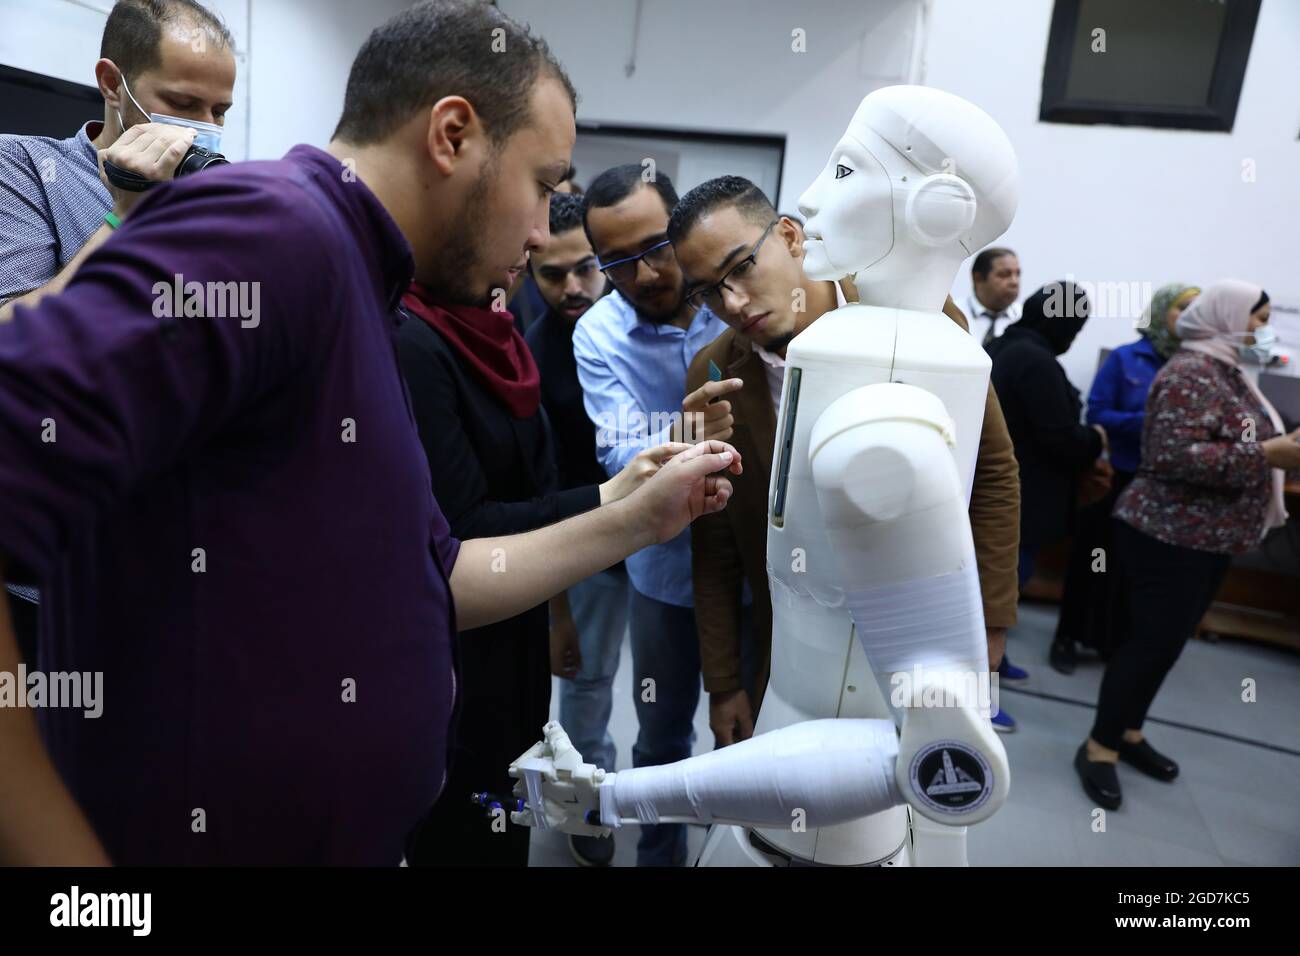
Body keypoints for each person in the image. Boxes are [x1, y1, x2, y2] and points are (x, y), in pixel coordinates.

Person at [0, 0, 741, 866]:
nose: (545, 231)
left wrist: (637, 515)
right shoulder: (277, 233)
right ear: (453, 135)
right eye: (543, 185)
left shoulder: (361, 275)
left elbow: (440, 571)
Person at [667, 176, 1021, 740]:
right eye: (707, 291)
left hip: (917, 623)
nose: (731, 303)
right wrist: (725, 681)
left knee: (903, 801)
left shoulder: (910, 311)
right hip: (789, 635)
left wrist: (992, 623)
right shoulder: (713, 374)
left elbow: (993, 470)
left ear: (789, 236)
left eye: (742, 268)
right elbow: (713, 543)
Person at [0, 0, 237, 664]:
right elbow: (19, 343)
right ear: (113, 81)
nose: (205, 129)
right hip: (50, 583)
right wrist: (124, 216)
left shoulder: (221, 201)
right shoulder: (23, 170)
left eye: (220, 112)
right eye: (185, 104)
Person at [1076, 280, 1300, 810]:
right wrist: (1269, 454)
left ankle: (1128, 732)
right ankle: (1098, 747)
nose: (1265, 330)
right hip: (1168, 536)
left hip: (1207, 540)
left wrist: (1272, 448)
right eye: (1258, 318)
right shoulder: (1189, 372)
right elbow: (1174, 456)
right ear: (1226, 318)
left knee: (1168, 645)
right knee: (1148, 644)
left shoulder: (1229, 370)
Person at [573, 163, 728, 866]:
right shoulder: (598, 334)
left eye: (657, 249)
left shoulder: (735, 298)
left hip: (756, 562)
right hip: (664, 570)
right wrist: (696, 437)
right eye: (617, 262)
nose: (643, 275)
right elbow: (621, 455)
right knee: (662, 737)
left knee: (752, 737)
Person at [524, 192, 625, 867]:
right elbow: (543, 485)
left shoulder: (636, 327)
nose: (572, 288)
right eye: (552, 274)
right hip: (586, 540)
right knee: (586, 687)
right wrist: (556, 599)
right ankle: (594, 813)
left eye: (586, 269)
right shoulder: (530, 354)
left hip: (671, 536)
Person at [1051, 283, 1199, 672]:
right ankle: (1067, 637)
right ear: (1162, 310)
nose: (1189, 316)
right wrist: (1151, 423)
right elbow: (1098, 414)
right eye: (1182, 307)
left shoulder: (1192, 367)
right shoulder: (1125, 359)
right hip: (1115, 476)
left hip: (1159, 485)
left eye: (1197, 309)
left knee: (1133, 568)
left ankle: (1108, 640)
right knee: (1093, 559)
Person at [987, 282, 1110, 696]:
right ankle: (976, 693)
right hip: (1019, 499)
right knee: (996, 598)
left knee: (994, 594)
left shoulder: (1006, 344)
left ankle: (994, 664)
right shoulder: (1036, 361)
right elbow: (1059, 437)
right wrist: (1096, 437)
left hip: (999, 494)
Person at [966, 246, 1021, 348]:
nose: (1014, 282)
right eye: (1004, 274)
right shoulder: (952, 317)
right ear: (978, 278)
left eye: (1017, 274)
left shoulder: (1024, 318)